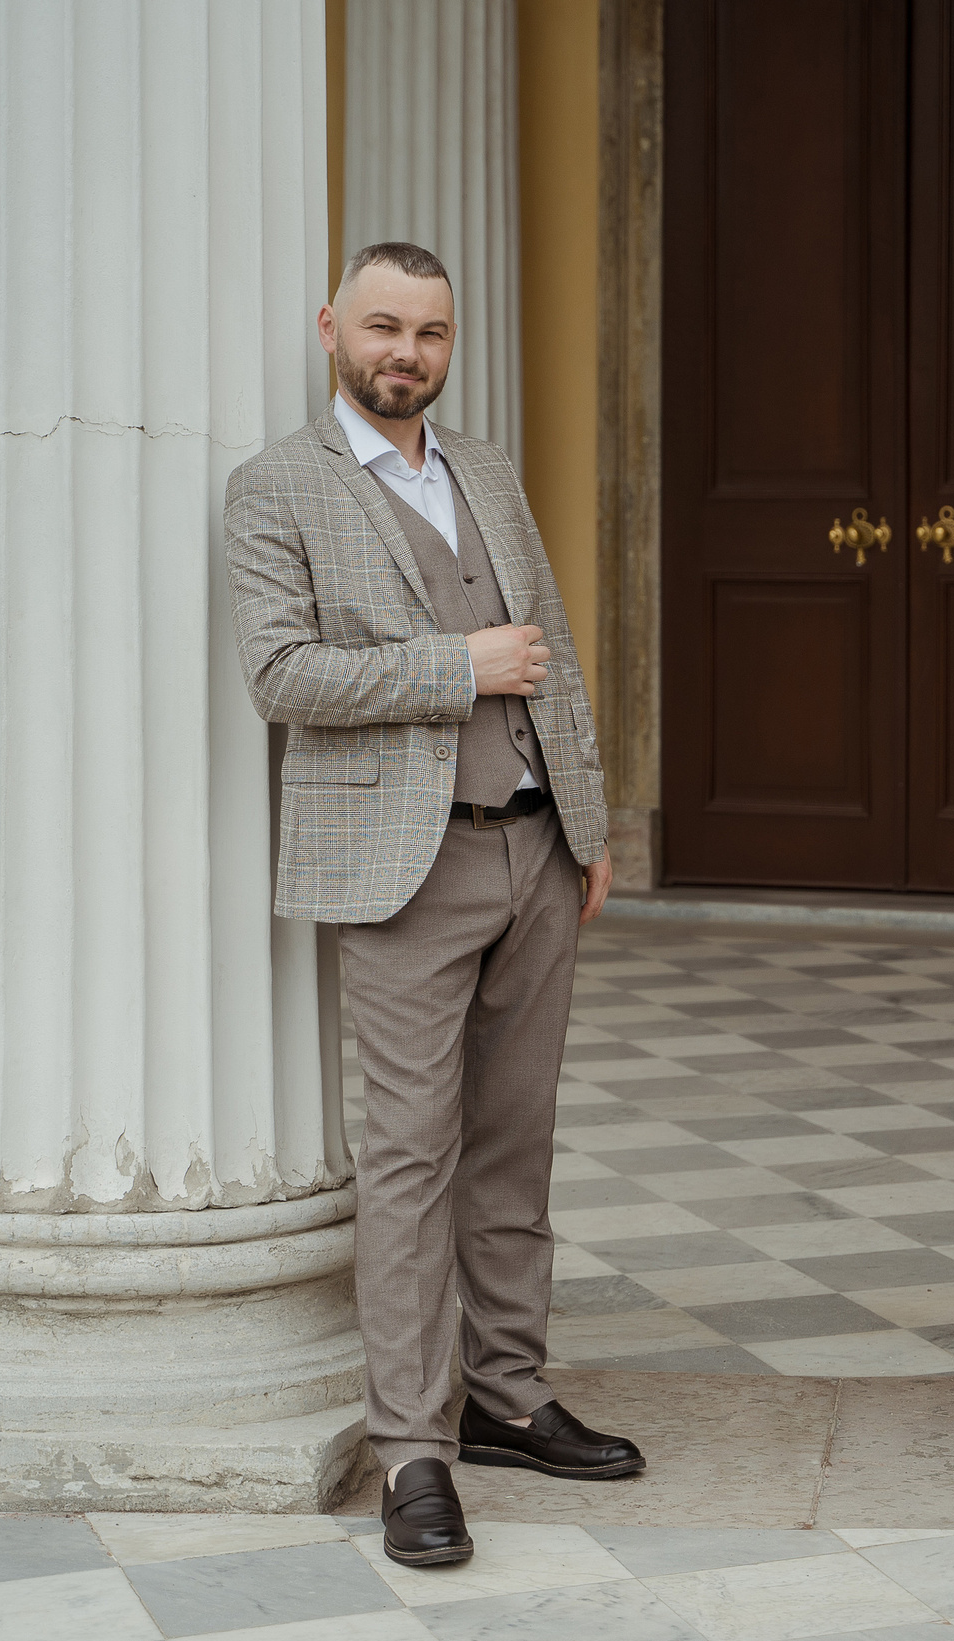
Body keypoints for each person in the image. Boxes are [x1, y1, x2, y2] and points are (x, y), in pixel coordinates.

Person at [226, 241, 643, 1569]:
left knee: (514, 1147)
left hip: (536, 850)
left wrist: (590, 815)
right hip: (404, 867)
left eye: (432, 334)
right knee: (410, 1161)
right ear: (332, 325)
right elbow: (284, 675)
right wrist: (453, 668)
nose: (407, 354)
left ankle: (510, 1393)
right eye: (385, 328)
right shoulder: (275, 489)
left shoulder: (486, 470)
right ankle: (414, 1445)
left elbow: (555, 653)